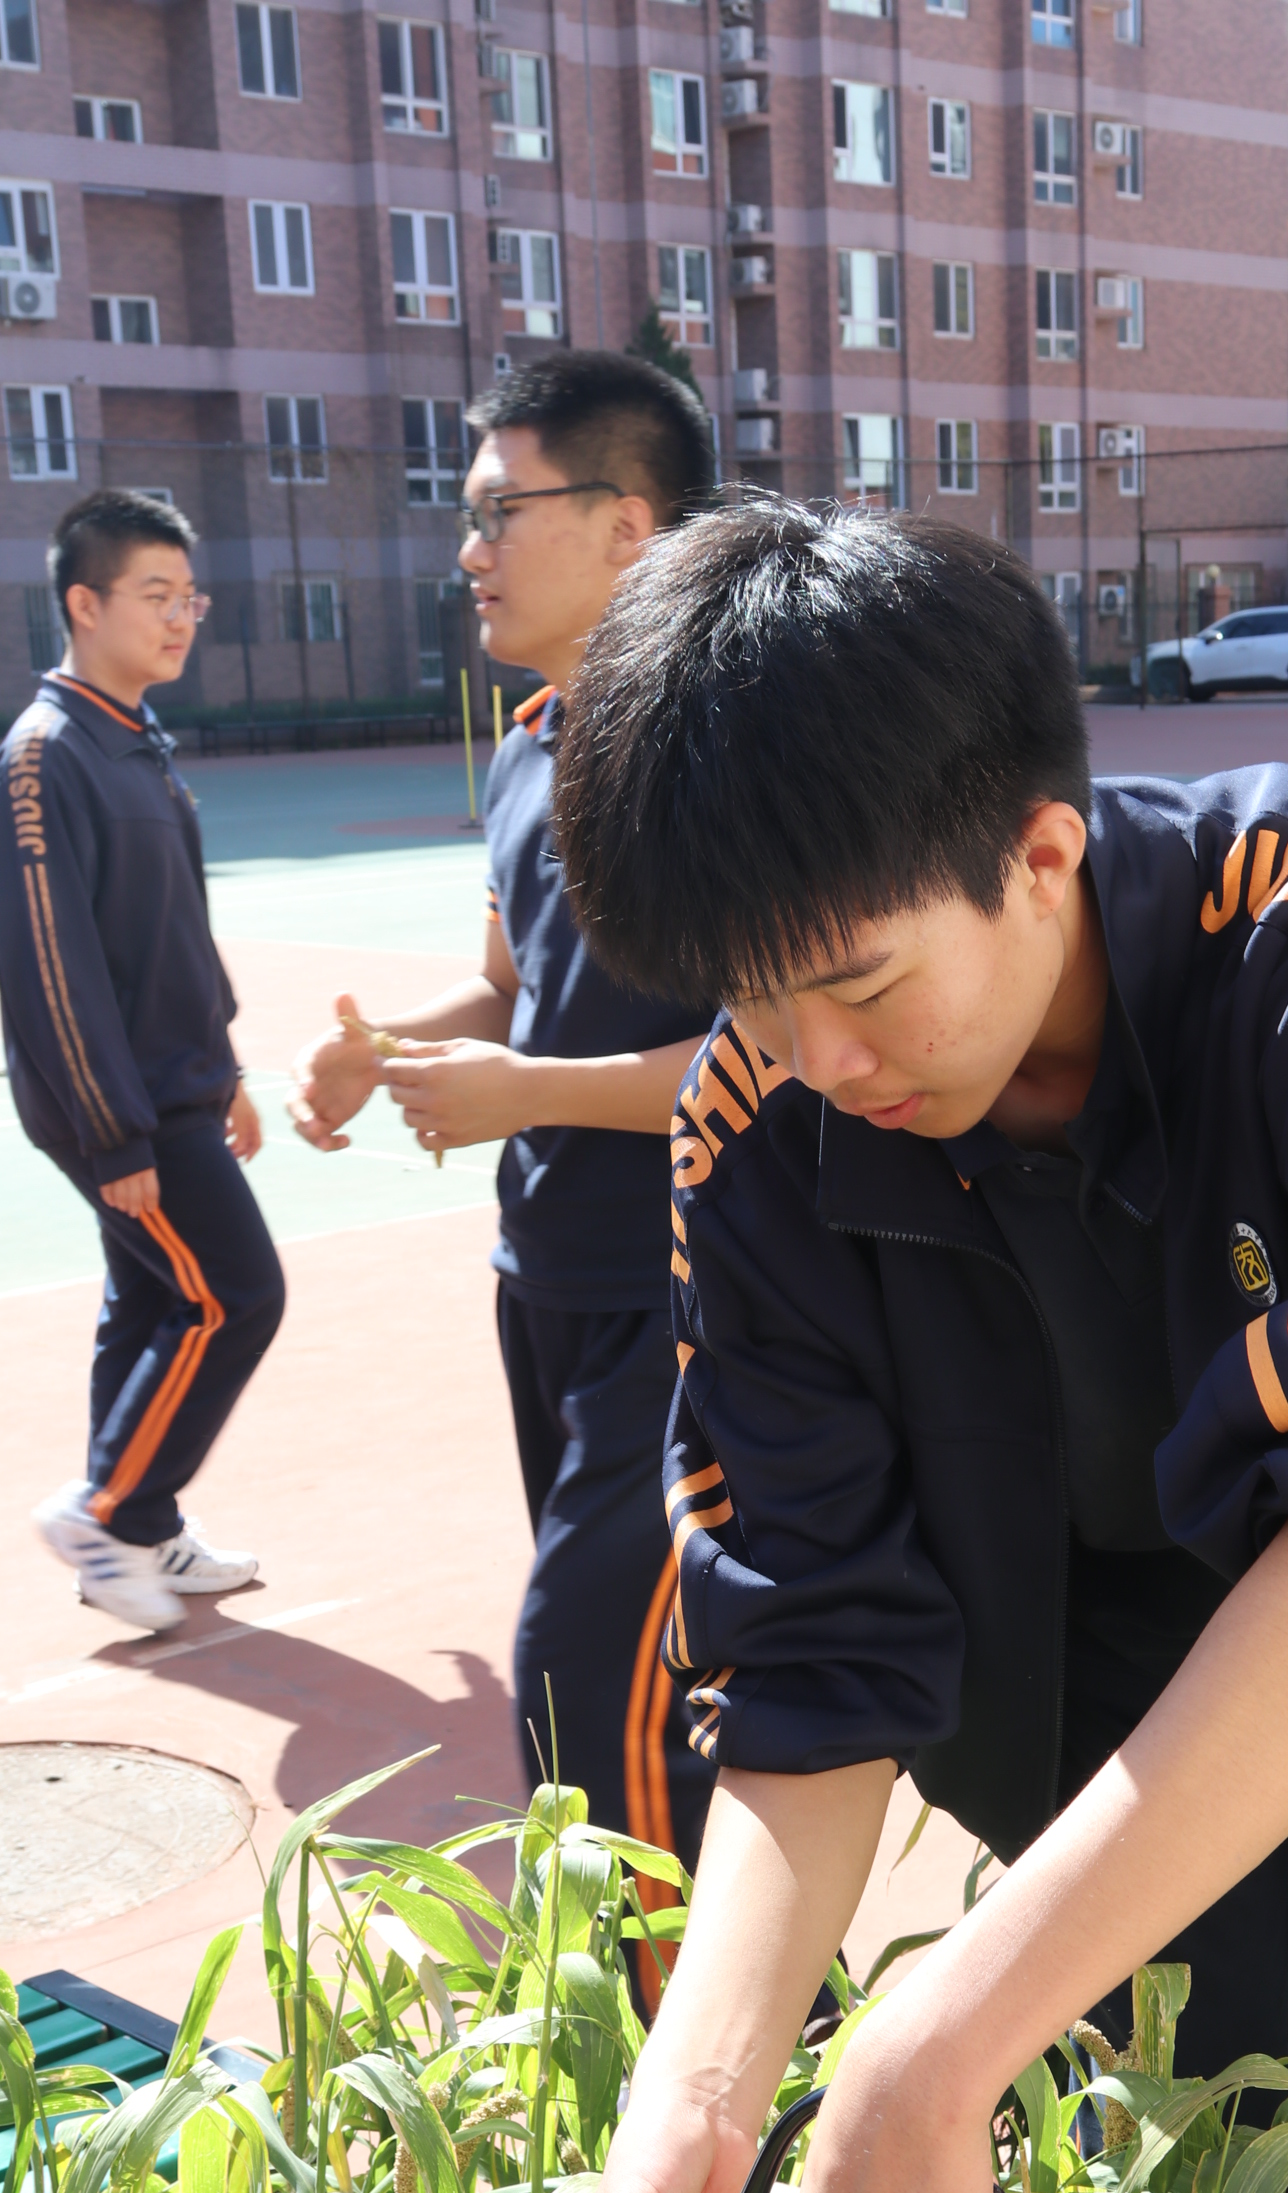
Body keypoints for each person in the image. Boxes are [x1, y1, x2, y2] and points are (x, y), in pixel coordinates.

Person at [544, 499, 1288, 2193]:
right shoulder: (749, 1119)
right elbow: (810, 1650)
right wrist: (698, 2096)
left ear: (1039, 855)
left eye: (855, 987)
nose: (814, 1063)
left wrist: (935, 2036)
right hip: (1064, 1620)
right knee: (1142, 2040)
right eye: (748, 1001)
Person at [288, 356, 719, 1943]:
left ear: (626, 526)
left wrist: (524, 1089)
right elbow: (511, 979)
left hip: (691, 1290)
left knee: (584, 1682)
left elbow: (785, 1055)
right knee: (633, 1695)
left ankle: (716, 2116)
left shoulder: (716, 752)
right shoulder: (531, 736)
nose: (465, 548)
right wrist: (391, 1047)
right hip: (543, 1275)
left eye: (496, 513)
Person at [4, 489, 279, 1635]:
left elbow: (176, 931)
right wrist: (114, 1132)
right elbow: (49, 964)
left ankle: (142, 1528)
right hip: (120, 1104)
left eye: (190, 598)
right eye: (155, 597)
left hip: (177, 1086)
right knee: (236, 1297)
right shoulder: (45, 756)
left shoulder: (135, 739)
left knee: (150, 1299)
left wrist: (228, 1071)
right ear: (84, 601)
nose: (181, 619)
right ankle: (106, 1510)